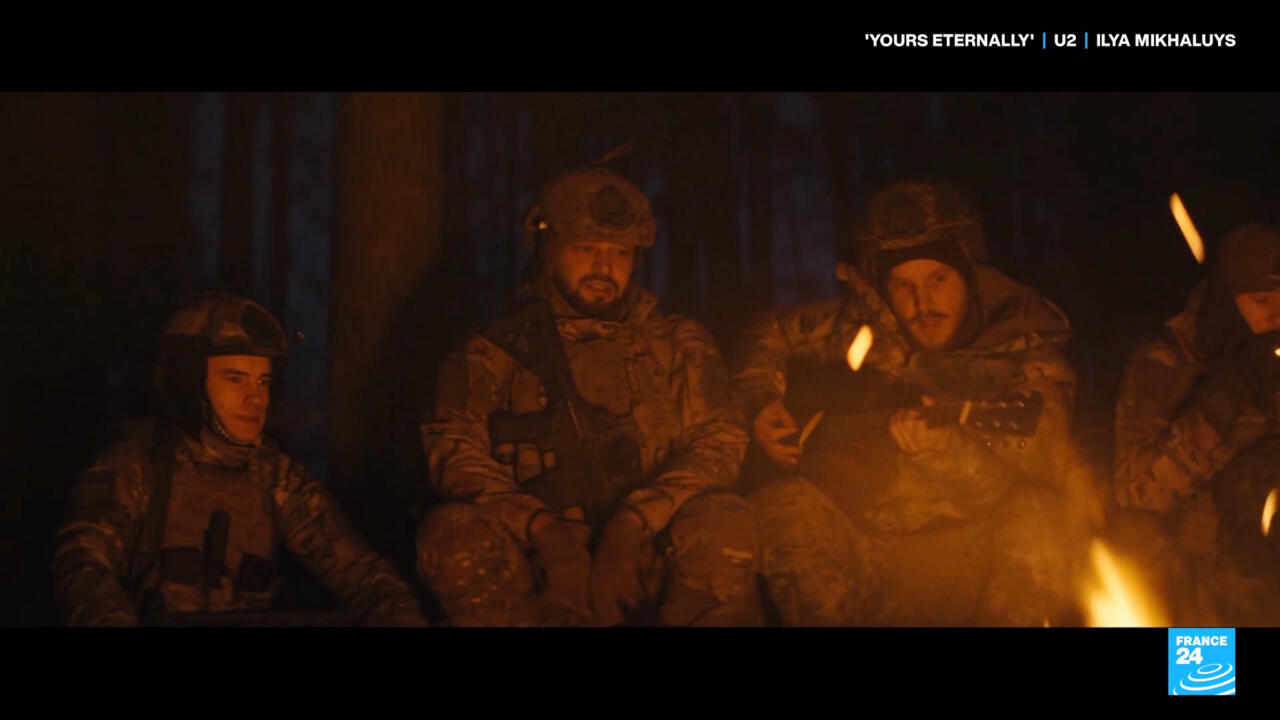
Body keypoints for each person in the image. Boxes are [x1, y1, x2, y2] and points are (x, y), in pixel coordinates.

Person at [736, 179, 1102, 626]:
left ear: (969, 274)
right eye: (902, 285)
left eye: (938, 279)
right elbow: (767, 331)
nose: (922, 303)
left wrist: (944, 455)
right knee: (782, 504)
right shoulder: (863, 330)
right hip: (873, 561)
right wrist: (762, 400)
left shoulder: (1028, 358)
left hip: (983, 561)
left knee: (1043, 512)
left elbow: (1035, 482)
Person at [417, 165, 761, 626]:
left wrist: (632, 524)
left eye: (619, 253)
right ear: (548, 251)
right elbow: (452, 449)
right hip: (538, 564)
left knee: (725, 521)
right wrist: (546, 534)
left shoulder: (677, 342)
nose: (603, 267)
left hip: (650, 549)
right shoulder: (493, 351)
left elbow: (721, 441)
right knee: (451, 533)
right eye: (585, 249)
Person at [53, 292, 426, 626]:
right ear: (189, 384)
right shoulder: (135, 465)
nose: (255, 398)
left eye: (263, 381)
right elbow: (83, 562)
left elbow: (364, 576)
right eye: (236, 379)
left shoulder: (277, 477)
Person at [1114, 223, 1280, 625]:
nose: (1277, 315)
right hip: (1198, 556)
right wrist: (1220, 406)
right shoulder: (1170, 364)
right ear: (1227, 300)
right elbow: (1134, 492)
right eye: (1261, 301)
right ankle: (1204, 665)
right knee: (1136, 539)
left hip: (1266, 554)